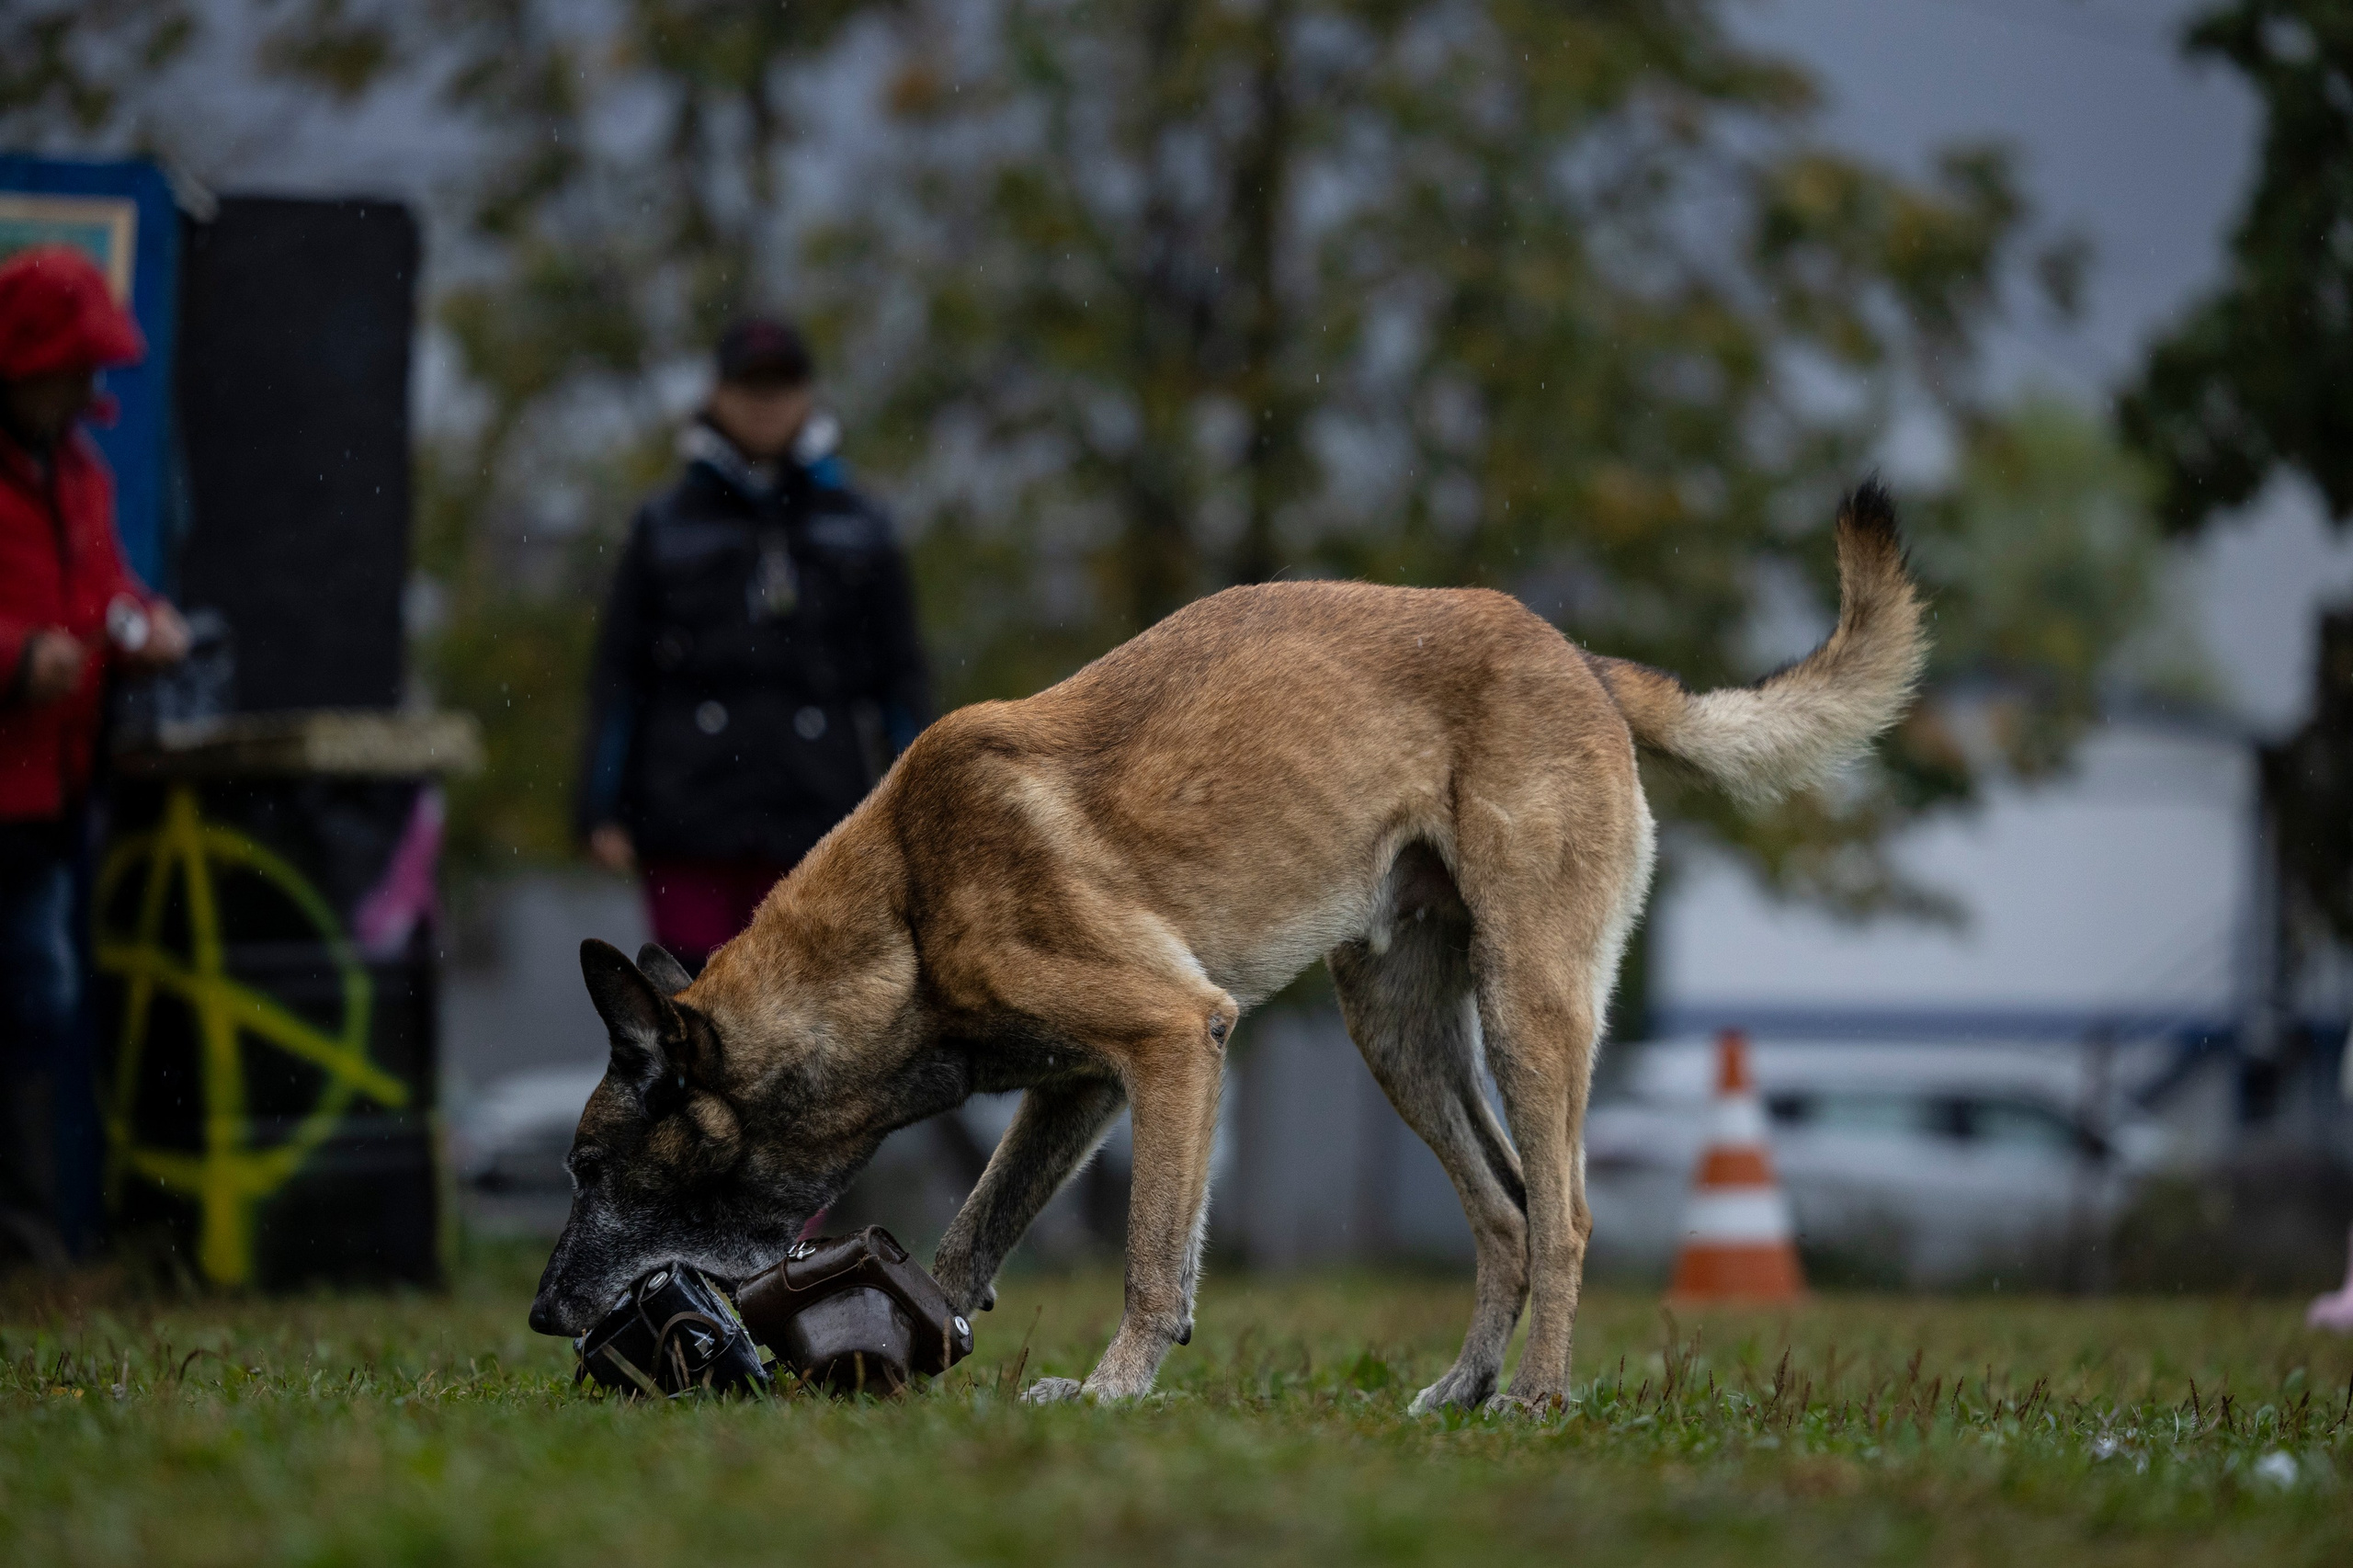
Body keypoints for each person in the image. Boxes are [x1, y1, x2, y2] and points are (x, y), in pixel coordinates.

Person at [579, 317, 929, 971]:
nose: (765, 401)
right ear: (715, 393)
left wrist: (928, 802)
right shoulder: (662, 524)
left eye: (782, 384)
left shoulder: (862, 523)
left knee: (810, 1007)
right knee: (692, 1010)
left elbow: (900, 679)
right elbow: (619, 676)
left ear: (809, 394)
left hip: (822, 815)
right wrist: (599, 806)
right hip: (686, 816)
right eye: (749, 385)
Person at [0, 245, 190, 1256]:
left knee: (39, 998)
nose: (88, 385)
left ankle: (28, 1230)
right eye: (71, 365)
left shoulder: (75, 468)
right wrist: (14, 657)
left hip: (47, 791)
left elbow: (104, 585)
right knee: (35, 991)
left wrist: (140, 623)